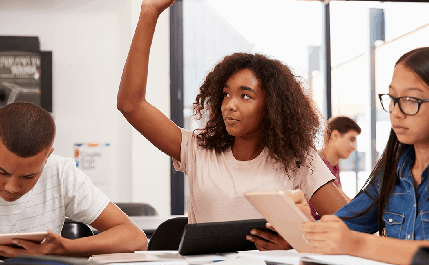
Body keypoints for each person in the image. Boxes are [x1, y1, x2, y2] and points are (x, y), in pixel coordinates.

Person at [117, 0, 348, 251]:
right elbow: (131, 104)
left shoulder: (299, 159)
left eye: (245, 96)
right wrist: (149, 12)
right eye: (226, 94)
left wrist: (298, 241)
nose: (230, 105)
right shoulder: (198, 149)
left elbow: (350, 226)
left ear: (272, 106)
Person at [293, 47, 429, 265]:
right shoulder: (391, 173)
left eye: (411, 99)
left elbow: (350, 240)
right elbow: (344, 226)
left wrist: (357, 244)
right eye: (393, 97)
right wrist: (300, 223)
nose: (396, 110)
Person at [0, 102, 147, 258]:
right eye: (2, 172)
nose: (12, 187)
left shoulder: (60, 172)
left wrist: (65, 248)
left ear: (47, 156)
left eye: (28, 176)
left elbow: (135, 238)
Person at [309, 116, 361, 219]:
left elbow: (341, 197)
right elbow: (342, 204)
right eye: (351, 139)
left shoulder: (334, 166)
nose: (354, 147)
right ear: (335, 135)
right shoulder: (317, 164)